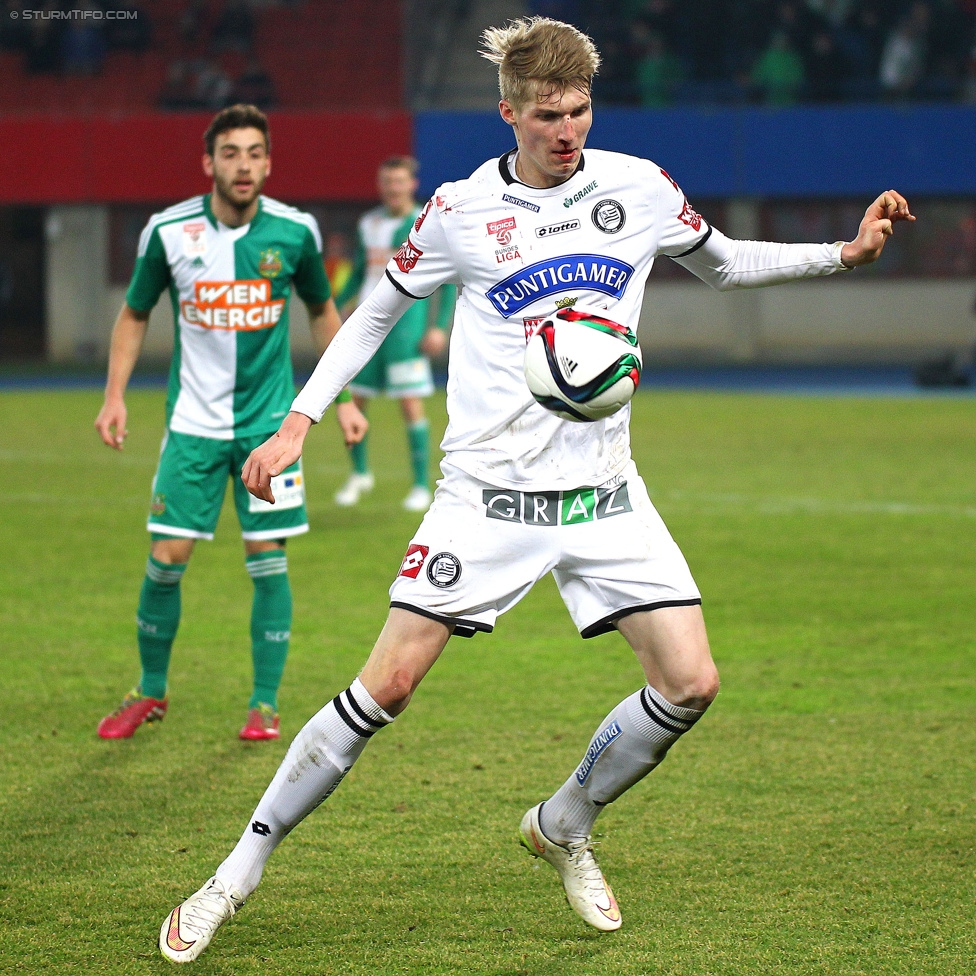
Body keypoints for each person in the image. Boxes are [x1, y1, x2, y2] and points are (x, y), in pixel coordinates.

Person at [158, 19, 914, 962]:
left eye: (581, 110)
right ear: (508, 112)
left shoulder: (637, 187)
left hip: (604, 495)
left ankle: (563, 821)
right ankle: (233, 875)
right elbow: (373, 316)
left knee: (691, 683)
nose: (568, 130)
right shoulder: (461, 211)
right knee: (382, 686)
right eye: (548, 114)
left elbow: (720, 261)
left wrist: (841, 255)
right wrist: (301, 417)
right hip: (487, 499)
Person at [95, 104, 366, 743]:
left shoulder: (294, 233)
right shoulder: (167, 232)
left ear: (268, 163)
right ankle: (150, 690)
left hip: (267, 429)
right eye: (230, 154)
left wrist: (345, 400)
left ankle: (264, 705)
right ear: (209, 163)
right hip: (191, 423)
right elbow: (135, 314)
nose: (242, 166)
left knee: (267, 558)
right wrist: (114, 395)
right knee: (166, 557)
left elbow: (324, 313)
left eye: (253, 154)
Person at [332, 156, 456, 513]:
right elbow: (359, 272)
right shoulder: (367, 223)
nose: (393, 188)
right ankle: (359, 474)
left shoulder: (426, 222)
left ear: (412, 184)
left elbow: (447, 282)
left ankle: (420, 485)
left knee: (410, 404)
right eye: (387, 181)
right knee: (355, 400)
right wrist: (334, 304)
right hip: (367, 326)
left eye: (399, 181)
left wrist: (438, 325)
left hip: (406, 328)